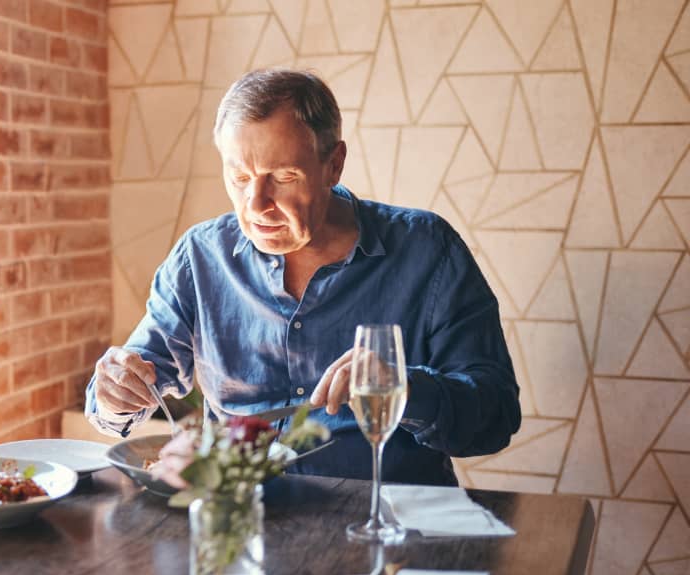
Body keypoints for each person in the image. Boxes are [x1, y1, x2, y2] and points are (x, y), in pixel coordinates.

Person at [86, 69, 519, 487]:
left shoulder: (428, 250)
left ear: (334, 165)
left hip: (388, 519)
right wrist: (114, 392)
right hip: (239, 519)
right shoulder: (199, 258)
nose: (256, 205)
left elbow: (496, 417)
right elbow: (133, 379)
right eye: (239, 178)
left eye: (283, 177)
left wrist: (405, 387)